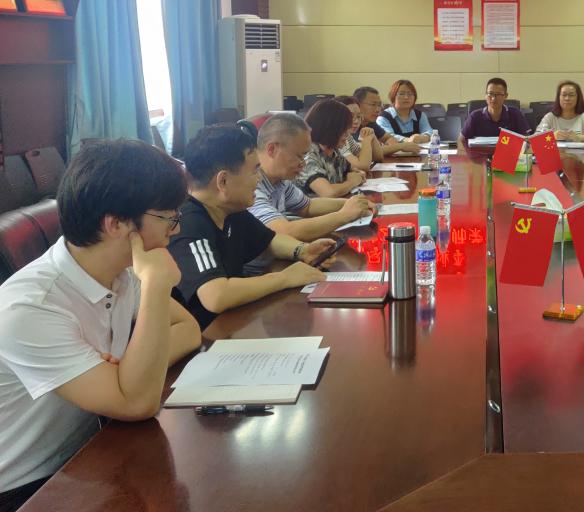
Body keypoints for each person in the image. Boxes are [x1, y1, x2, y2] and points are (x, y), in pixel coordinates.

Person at [0, 140, 201, 508]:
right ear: (116, 224)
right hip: (26, 487)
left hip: (91, 450)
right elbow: (138, 403)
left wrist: (125, 372)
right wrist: (157, 287)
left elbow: (189, 330)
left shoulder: (123, 273)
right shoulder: (29, 308)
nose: (175, 229)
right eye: (168, 216)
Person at [170, 126, 337, 329]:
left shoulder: (230, 209)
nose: (258, 179)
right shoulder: (188, 223)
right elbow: (216, 295)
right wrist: (284, 278)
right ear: (223, 181)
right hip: (206, 336)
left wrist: (302, 250)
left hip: (235, 322)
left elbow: (269, 240)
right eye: (254, 171)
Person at [249, 113, 374, 246]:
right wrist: (344, 215)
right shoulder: (250, 184)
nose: (303, 164)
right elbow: (283, 231)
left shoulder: (279, 180)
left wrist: (355, 204)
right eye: (299, 156)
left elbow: (307, 206)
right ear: (272, 149)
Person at [297, 98, 367, 197]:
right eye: (344, 129)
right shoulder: (308, 155)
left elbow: (355, 172)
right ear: (330, 128)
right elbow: (328, 192)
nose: (348, 134)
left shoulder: (334, 152)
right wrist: (352, 182)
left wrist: (357, 175)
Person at [353, 86, 421, 156]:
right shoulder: (351, 125)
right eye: (373, 104)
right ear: (358, 104)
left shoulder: (370, 123)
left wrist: (390, 148)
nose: (377, 110)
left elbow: (388, 138)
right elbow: (364, 153)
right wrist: (399, 147)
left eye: (379, 105)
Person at [460, 77, 529, 141]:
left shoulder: (516, 114)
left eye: (498, 94)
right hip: (481, 150)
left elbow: (526, 140)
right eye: (490, 93)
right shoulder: (475, 116)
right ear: (485, 95)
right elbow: (461, 140)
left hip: (508, 150)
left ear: (505, 96)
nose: (493, 98)